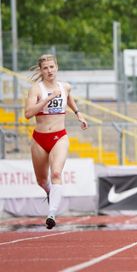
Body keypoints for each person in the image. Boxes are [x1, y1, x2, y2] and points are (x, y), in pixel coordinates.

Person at [24, 54, 88, 229]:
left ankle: (51, 214)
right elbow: (28, 114)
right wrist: (47, 99)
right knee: (42, 180)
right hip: (39, 139)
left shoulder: (64, 86)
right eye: (45, 68)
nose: (49, 70)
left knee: (56, 174)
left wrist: (78, 114)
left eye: (52, 67)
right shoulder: (36, 90)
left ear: (57, 68)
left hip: (59, 137)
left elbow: (69, 99)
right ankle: (51, 194)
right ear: (41, 71)